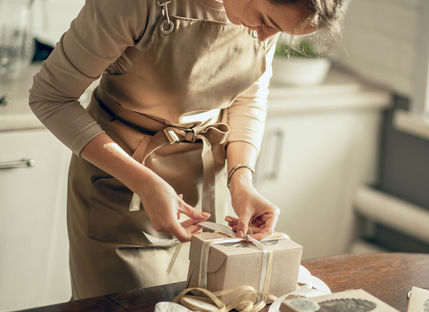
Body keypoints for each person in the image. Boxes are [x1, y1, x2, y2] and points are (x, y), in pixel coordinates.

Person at [29, 0, 347, 300]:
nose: (264, 36)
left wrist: (241, 180)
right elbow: (50, 97)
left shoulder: (262, 16)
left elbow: (248, 97)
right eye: (266, 21)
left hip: (204, 190)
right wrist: (143, 181)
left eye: (278, 30)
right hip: (119, 189)